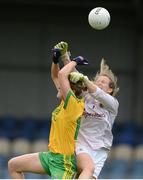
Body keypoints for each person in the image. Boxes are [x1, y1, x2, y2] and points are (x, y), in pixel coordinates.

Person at [8, 46, 88, 179]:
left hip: (63, 163)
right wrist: (55, 60)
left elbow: (62, 75)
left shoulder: (74, 104)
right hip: (51, 156)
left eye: (62, 86)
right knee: (13, 165)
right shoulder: (65, 101)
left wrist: (75, 61)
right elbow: (56, 75)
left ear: (70, 90)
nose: (58, 86)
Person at [54, 41, 119, 179]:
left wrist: (85, 80)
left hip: (100, 151)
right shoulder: (86, 96)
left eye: (103, 82)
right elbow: (74, 74)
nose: (99, 83)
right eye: (98, 81)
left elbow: (97, 92)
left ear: (110, 89)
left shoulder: (112, 104)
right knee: (86, 170)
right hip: (80, 145)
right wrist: (65, 57)